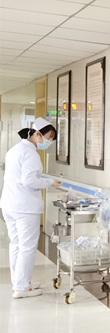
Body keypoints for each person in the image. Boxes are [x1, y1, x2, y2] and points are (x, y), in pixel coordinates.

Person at [1, 117, 61, 299]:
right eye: (48, 138)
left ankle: (20, 282)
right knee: (27, 247)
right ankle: (21, 287)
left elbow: (23, 176)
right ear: (37, 134)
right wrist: (49, 182)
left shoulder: (14, 150)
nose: (48, 142)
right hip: (24, 208)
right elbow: (29, 180)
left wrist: (46, 179)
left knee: (16, 244)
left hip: (9, 205)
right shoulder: (31, 154)